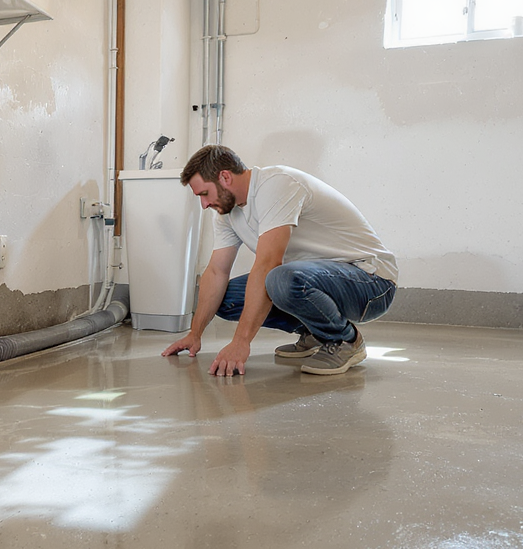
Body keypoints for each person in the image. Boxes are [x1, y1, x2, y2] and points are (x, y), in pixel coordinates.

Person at [161, 145, 398, 376]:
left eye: (204, 194)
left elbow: (268, 264)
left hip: (370, 282)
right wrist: (195, 333)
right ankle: (315, 332)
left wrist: (241, 342)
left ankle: (345, 340)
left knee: (279, 277)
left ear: (225, 177)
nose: (204, 205)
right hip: (319, 279)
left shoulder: (276, 185)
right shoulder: (228, 212)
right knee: (226, 298)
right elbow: (216, 272)